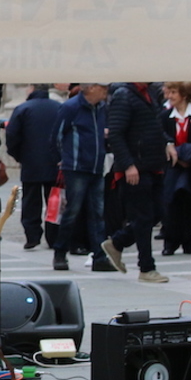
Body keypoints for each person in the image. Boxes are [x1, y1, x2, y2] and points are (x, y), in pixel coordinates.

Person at [103, 82, 169, 283]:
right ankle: (146, 268)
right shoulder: (124, 95)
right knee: (142, 217)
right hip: (135, 168)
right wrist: (128, 164)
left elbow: (153, 125)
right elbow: (116, 133)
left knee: (157, 213)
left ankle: (117, 242)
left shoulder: (148, 93)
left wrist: (168, 142)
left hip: (152, 164)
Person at [50, 84, 116, 272]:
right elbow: (57, 135)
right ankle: (60, 251)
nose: (105, 91)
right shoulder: (71, 107)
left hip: (96, 166)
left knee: (97, 213)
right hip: (76, 166)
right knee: (73, 210)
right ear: (91, 88)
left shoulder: (101, 108)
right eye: (102, 88)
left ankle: (99, 255)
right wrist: (61, 160)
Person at [5, 85, 62, 251]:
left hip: (30, 162)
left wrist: (19, 156)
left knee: (30, 201)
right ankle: (53, 236)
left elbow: (12, 135)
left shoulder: (22, 108)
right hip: (55, 162)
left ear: (30, 89)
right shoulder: (59, 107)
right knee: (53, 201)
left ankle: (32, 235)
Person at [159, 82, 191, 257]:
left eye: (173, 92)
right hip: (173, 166)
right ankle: (171, 241)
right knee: (171, 203)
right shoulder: (165, 117)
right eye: (168, 92)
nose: (169, 96)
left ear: (184, 94)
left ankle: (189, 241)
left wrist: (188, 155)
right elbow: (161, 136)